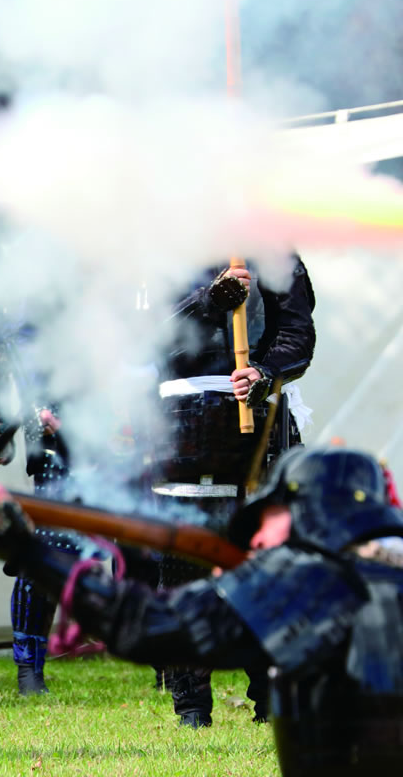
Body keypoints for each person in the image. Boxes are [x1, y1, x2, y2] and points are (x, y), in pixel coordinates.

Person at [0, 445, 403, 777]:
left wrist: (28, 551)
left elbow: (147, 626)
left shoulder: (300, 578)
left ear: (301, 511)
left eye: (264, 523)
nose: (256, 543)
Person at [153, 257, 316, 725]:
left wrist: (264, 373)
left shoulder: (274, 249)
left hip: (262, 421)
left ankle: (272, 694)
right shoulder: (154, 239)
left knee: (269, 559)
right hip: (183, 420)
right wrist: (208, 301)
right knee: (184, 562)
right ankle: (191, 705)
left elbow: (297, 336)